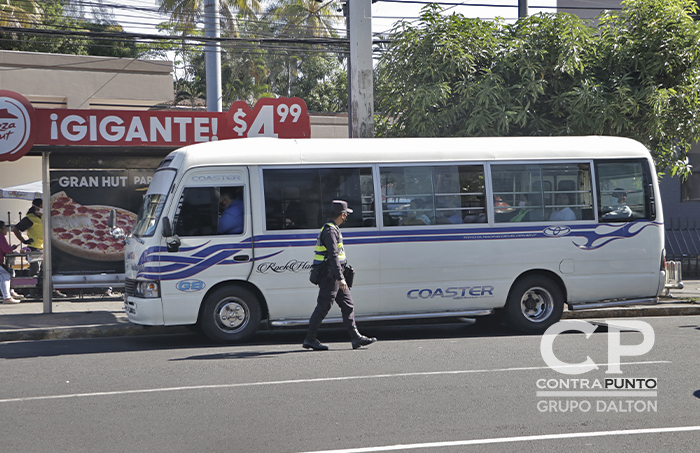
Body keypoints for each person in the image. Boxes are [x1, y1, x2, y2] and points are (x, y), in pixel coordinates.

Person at [303, 200, 376, 351]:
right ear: (342, 215)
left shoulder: (333, 228)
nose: (346, 218)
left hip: (334, 274)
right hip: (329, 276)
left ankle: (356, 338)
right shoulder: (330, 231)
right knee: (323, 306)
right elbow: (333, 257)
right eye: (346, 215)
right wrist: (340, 278)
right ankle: (310, 339)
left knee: (347, 304)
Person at [12, 199, 67, 298]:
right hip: (34, 248)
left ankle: (49, 291)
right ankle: (33, 292)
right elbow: (15, 229)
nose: (44, 208)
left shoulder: (44, 216)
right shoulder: (30, 218)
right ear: (36, 207)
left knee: (47, 270)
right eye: (42, 206)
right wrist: (23, 240)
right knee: (34, 271)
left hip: (45, 247)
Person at [1, 221, 21, 304]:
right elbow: (6, 249)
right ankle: (7, 298)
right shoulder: (0, 237)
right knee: (4, 275)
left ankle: (11, 291)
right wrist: (11, 248)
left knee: (10, 271)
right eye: (5, 228)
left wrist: (11, 248)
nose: (6, 230)